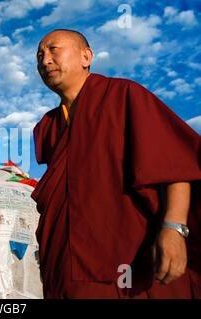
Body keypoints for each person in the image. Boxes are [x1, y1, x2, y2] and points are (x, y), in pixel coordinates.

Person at [32, 29, 201, 299]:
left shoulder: (122, 95)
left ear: (86, 57)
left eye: (54, 49)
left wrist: (174, 228)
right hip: (65, 268)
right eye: (40, 55)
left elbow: (176, 164)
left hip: (130, 262)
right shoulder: (48, 126)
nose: (45, 60)